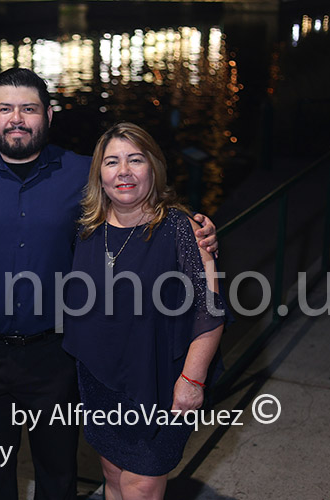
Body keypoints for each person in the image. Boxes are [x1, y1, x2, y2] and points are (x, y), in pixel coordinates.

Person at [0, 69, 218, 500]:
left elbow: (135, 204)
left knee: (59, 473)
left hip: (56, 355)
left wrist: (197, 231)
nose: (17, 119)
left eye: (29, 109)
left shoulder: (83, 172)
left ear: (47, 116)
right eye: (5, 109)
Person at [62, 122, 231, 500]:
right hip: (100, 381)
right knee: (112, 475)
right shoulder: (86, 228)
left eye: (135, 160)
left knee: (141, 485)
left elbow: (210, 310)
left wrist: (193, 381)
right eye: (112, 162)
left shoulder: (182, 229)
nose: (123, 171)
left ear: (154, 168)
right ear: (99, 174)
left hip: (160, 381)